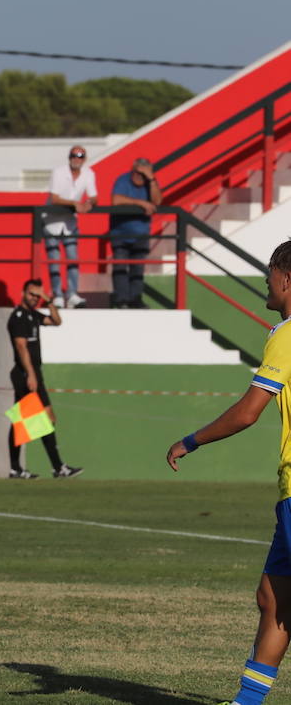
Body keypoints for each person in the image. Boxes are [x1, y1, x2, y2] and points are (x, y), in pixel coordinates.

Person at [166, 238, 291, 705]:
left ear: (287, 279)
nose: (266, 282)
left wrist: (191, 439)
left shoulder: (286, 334)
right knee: (274, 598)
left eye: (270, 274)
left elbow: (247, 412)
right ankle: (247, 702)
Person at [7, 279, 83, 479]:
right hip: (25, 374)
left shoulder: (33, 315)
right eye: (31, 294)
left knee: (33, 421)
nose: (34, 298)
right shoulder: (18, 317)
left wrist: (48, 300)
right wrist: (31, 374)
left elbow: (57, 321)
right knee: (37, 420)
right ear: (23, 293)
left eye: (37, 295)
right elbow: (21, 347)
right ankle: (57, 467)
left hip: (34, 373)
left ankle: (18, 468)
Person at [41, 145, 97, 308]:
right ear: (69, 157)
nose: (76, 159)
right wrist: (75, 204)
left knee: (73, 258)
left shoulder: (89, 174)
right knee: (54, 260)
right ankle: (57, 295)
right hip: (51, 223)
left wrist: (88, 203)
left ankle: (72, 294)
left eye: (80, 156)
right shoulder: (58, 172)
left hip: (69, 224)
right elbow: (54, 198)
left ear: (84, 159)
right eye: (74, 155)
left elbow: (94, 197)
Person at [109, 157, 162, 309]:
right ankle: (121, 299)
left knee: (138, 268)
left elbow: (157, 201)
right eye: (138, 172)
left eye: (143, 174)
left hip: (141, 233)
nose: (140, 176)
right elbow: (116, 200)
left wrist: (151, 179)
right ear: (132, 170)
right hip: (120, 232)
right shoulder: (123, 180)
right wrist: (141, 203)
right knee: (120, 267)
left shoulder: (150, 183)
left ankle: (135, 299)